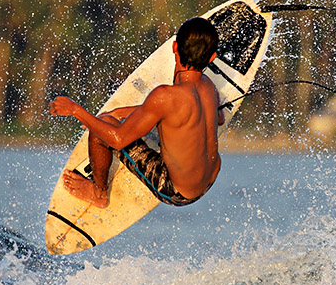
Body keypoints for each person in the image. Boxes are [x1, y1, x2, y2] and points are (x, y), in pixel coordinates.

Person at [49, 17, 222, 208]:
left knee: (100, 130)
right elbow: (216, 118)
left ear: (174, 47)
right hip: (210, 179)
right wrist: (121, 112)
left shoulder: (165, 96)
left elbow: (118, 139)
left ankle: (98, 193)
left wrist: (75, 110)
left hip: (177, 191)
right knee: (114, 118)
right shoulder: (209, 88)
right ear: (211, 57)